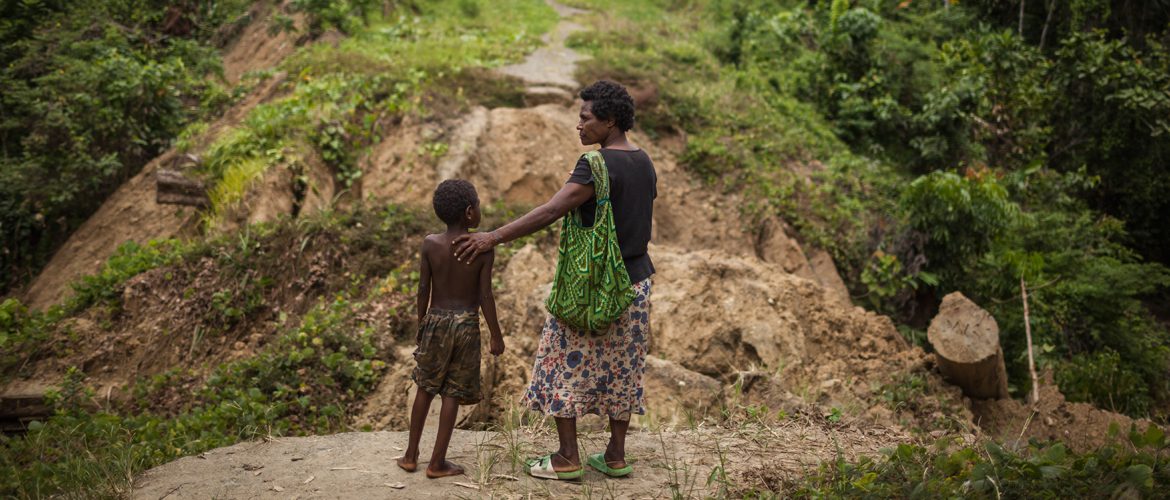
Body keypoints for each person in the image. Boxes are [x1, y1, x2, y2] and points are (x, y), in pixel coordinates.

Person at [453, 80, 656, 480]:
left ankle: (567, 457)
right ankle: (615, 455)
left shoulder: (595, 166)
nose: (578, 126)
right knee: (624, 367)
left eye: (585, 118)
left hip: (591, 287)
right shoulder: (644, 160)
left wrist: (491, 236)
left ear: (610, 120)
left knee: (559, 360)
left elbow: (551, 211)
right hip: (635, 284)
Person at [397, 179, 505, 479]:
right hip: (466, 325)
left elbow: (422, 289)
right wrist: (496, 334)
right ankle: (437, 463)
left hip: (435, 320)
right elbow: (485, 296)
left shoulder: (430, 243)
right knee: (452, 395)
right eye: (479, 205)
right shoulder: (482, 249)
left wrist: (422, 325)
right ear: (469, 212)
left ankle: (409, 455)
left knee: (425, 387)